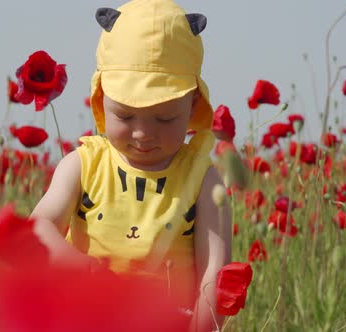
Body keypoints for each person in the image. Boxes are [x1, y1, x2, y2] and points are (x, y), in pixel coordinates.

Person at [31, 1, 232, 331]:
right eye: (124, 115)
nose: (142, 133)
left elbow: (215, 274)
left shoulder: (202, 180)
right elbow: (37, 230)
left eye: (165, 118)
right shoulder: (82, 165)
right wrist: (79, 268)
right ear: (101, 96)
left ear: (193, 102)